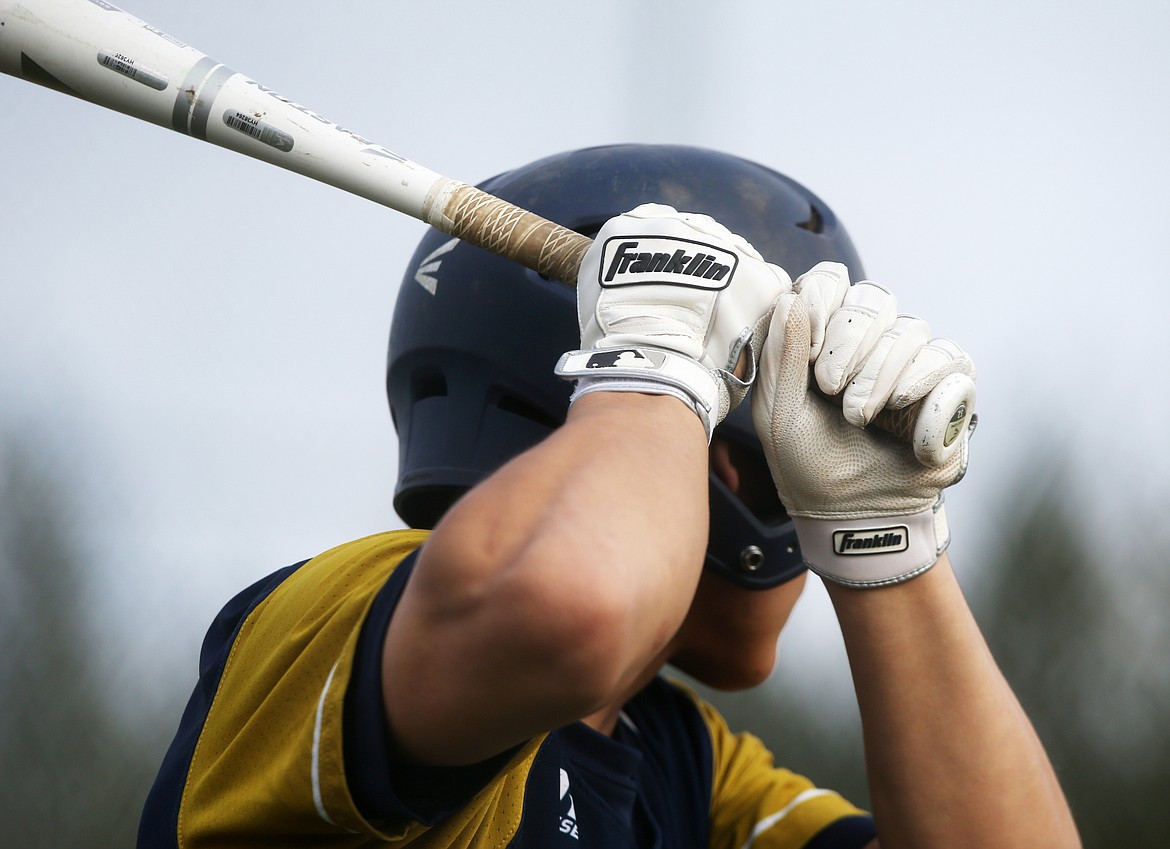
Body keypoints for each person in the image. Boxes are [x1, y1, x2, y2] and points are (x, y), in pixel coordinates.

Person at [137, 145, 1080, 848]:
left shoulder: (682, 762)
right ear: (722, 469)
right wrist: (658, 368)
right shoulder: (341, 615)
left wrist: (892, 542)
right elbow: (567, 603)